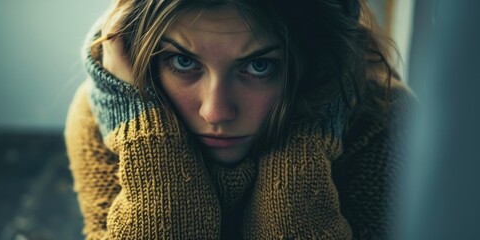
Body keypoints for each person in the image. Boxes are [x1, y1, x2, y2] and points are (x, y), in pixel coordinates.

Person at [64, 0, 414, 239]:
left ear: (316, 64)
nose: (215, 112)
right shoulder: (110, 117)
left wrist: (306, 135)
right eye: (183, 62)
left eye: (260, 66)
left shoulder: (385, 120)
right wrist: (151, 150)